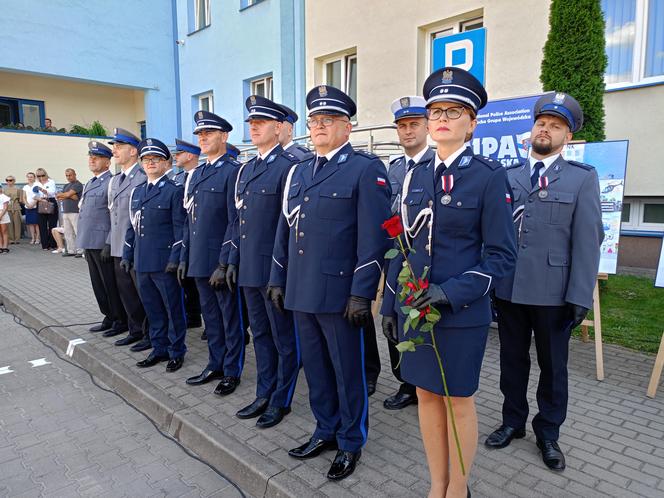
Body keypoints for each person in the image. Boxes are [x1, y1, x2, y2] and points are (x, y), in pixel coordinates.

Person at [381, 67, 517, 498]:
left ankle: (458, 489)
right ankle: (435, 484)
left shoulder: (488, 176)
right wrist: (391, 304)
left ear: (472, 123)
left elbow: (501, 256)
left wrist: (448, 292)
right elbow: (404, 244)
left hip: (459, 313)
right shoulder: (415, 175)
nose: (441, 118)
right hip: (417, 310)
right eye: (435, 110)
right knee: (424, 395)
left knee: (457, 399)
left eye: (454, 111)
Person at [268, 85, 391, 480]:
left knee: (346, 370)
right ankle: (324, 429)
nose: (318, 127)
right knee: (317, 370)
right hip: (301, 290)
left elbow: (374, 237)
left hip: (340, 294)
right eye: (313, 121)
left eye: (327, 120)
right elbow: (286, 229)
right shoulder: (301, 170)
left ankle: (351, 440)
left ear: (346, 127)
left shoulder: (365, 169)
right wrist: (277, 276)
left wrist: (361, 292)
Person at [486, 92, 604, 472]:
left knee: (553, 367)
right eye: (541, 123)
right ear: (531, 129)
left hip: (554, 293)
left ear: (566, 137)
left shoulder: (581, 179)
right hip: (509, 289)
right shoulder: (508, 177)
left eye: (555, 126)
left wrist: (579, 294)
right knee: (511, 361)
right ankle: (512, 421)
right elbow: (494, 235)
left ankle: (548, 432)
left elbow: (589, 240)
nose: (546, 130)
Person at [227, 95, 300, 429]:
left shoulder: (288, 168)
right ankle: (264, 391)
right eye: (251, 124)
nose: (254, 128)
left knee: (284, 339)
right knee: (261, 335)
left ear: (278, 128)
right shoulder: (248, 168)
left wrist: (279, 274)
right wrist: (231, 260)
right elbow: (238, 221)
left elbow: (288, 228)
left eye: (261, 123)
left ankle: (281, 400)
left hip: (275, 272)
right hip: (248, 271)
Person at [178, 110, 245, 395]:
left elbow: (235, 220)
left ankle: (232, 370)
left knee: (230, 318)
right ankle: (215, 363)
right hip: (198, 259)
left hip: (220, 260)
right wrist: (183, 256)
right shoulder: (198, 174)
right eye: (200, 135)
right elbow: (190, 220)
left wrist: (225, 261)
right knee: (211, 317)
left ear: (224, 136)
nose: (203, 138)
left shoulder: (233, 171)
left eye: (209, 134)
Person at [380, 95, 435, 411]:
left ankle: (424, 385)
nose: (408, 131)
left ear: (427, 127)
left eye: (414, 124)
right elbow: (387, 211)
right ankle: (405, 383)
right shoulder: (396, 167)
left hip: (424, 259)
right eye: (402, 126)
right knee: (395, 321)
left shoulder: (435, 164)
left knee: (420, 321)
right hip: (395, 255)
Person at [122, 138, 187, 372]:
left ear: (166, 162)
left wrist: (175, 258)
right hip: (142, 262)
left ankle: (176, 351)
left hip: (164, 263)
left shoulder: (173, 191)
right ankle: (159, 348)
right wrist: (127, 254)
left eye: (156, 159)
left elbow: (181, 228)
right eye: (146, 159)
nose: (150, 163)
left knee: (172, 308)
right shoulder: (137, 192)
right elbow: (132, 226)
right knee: (153, 309)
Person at [77, 141, 128, 335]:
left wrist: (108, 241)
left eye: (96, 158)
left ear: (107, 162)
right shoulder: (90, 182)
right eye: (90, 157)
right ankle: (108, 315)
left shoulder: (111, 182)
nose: (92, 160)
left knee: (110, 284)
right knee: (98, 284)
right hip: (89, 241)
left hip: (102, 243)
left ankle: (120, 319)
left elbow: (114, 215)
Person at [107, 128, 150, 350]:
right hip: (117, 245)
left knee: (142, 292)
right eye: (114, 146)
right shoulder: (115, 180)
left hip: (133, 245)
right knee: (126, 291)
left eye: (119, 146)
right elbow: (112, 213)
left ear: (133, 151)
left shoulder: (141, 178)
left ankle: (149, 332)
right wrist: (109, 242)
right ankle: (134, 329)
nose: (114, 150)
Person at [172, 138, 203, 332]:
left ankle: (201, 317)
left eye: (179, 153)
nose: (176, 157)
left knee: (199, 282)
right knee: (186, 280)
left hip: (198, 235)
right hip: (183, 235)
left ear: (190, 155)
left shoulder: (200, 175)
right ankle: (193, 315)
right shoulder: (178, 179)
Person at [55, 168, 83, 256]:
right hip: (66, 211)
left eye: (70, 175)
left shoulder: (78, 185)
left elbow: (69, 196)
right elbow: (59, 197)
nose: (68, 177)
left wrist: (67, 195)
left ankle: (80, 250)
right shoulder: (66, 186)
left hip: (75, 211)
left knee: (77, 231)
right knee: (68, 232)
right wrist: (69, 195)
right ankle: (71, 250)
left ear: (75, 174)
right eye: (67, 175)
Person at [34, 168, 58, 250]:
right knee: (42, 224)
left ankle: (53, 244)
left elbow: (52, 192)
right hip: (40, 202)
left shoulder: (51, 181)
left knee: (52, 223)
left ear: (46, 174)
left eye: (42, 175)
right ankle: (45, 245)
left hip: (50, 201)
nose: (41, 177)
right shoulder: (36, 183)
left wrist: (41, 189)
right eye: (38, 176)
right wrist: (40, 199)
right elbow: (34, 195)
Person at [3, 176, 24, 244]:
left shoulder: (19, 189)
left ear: (14, 181)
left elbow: (21, 200)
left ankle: (17, 239)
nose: (9, 182)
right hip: (7, 207)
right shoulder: (4, 190)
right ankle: (11, 239)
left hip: (16, 206)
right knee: (9, 224)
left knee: (17, 223)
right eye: (7, 180)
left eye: (10, 180)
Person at [23, 172, 40, 245]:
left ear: (34, 178)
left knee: (36, 223)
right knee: (30, 224)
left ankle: (38, 238)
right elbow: (24, 197)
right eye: (28, 177)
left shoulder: (37, 185)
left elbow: (38, 196)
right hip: (28, 207)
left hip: (35, 207)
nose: (30, 178)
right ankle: (33, 238)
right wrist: (27, 204)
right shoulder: (25, 187)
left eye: (31, 177)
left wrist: (33, 204)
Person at [0, 183, 10, 253]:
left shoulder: (4, 197)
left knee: (4, 231)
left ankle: (5, 247)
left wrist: (0, 216)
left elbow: (5, 207)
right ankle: (0, 246)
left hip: (3, 214)